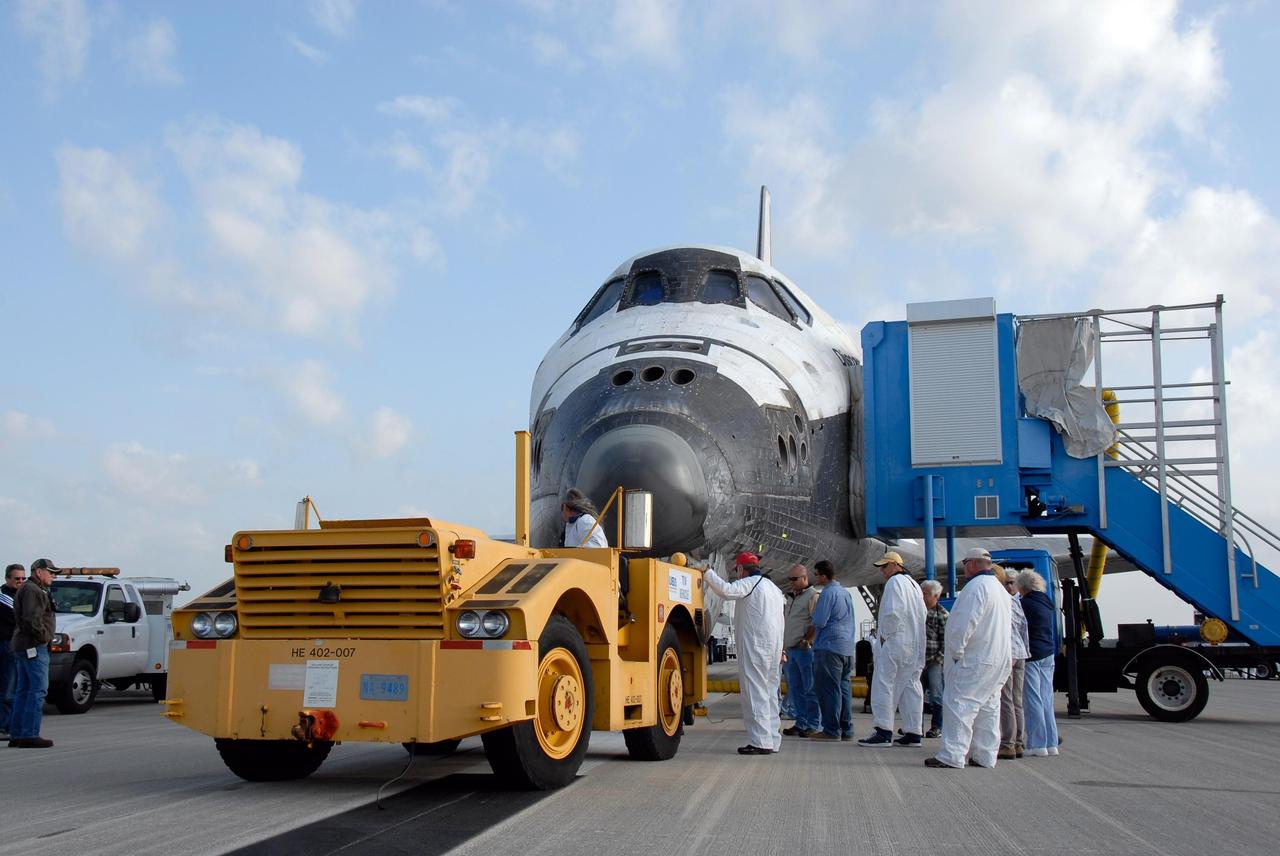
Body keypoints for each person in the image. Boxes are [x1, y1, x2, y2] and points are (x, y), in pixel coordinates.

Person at [926, 547, 1011, 770]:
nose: (964, 569)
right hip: (998, 657)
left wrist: (956, 653)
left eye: (965, 564)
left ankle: (952, 755)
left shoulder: (976, 588)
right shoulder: (1000, 590)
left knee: (959, 703)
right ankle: (985, 755)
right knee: (988, 707)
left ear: (972, 564)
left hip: (976, 658)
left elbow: (964, 624)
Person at [696, 552, 784, 755]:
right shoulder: (774, 589)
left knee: (754, 693)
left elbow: (727, 591)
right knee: (770, 694)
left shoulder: (752, 583)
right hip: (773, 648)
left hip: (756, 647)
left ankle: (760, 741)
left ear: (741, 569)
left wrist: (707, 572)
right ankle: (772, 739)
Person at [860, 551, 927, 747]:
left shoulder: (894, 583)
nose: (882, 571)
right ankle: (914, 731)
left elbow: (893, 612)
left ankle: (883, 730)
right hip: (914, 645)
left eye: (885, 566)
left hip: (896, 643)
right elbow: (922, 613)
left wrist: (883, 636)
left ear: (896, 565)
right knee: (911, 686)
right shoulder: (914, 585)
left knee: (884, 684)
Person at [10, 558, 58, 748]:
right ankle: (29, 734)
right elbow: (32, 619)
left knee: (24, 690)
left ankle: (18, 734)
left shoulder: (31, 588)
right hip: (33, 646)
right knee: (37, 690)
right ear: (38, 572)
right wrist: (44, 637)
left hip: (25, 645)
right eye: (50, 572)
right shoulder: (32, 589)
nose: (53, 576)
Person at [810, 559, 855, 742]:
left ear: (822, 575)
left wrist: (813, 615)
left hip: (829, 647)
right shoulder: (845, 593)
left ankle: (831, 729)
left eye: (816, 574)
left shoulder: (827, 594)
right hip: (846, 648)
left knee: (828, 690)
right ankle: (846, 728)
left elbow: (820, 620)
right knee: (844, 689)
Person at [1017, 570, 1060, 757]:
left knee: (1032, 699)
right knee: (1046, 699)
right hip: (1048, 652)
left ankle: (1036, 744)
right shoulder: (1047, 602)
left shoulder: (1025, 604)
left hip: (1033, 654)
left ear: (1023, 586)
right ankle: (1051, 742)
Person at [781, 564, 821, 738]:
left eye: (794, 579)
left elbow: (817, 622)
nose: (791, 582)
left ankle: (813, 724)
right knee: (795, 688)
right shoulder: (791, 598)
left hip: (804, 650)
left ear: (805, 578)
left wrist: (808, 640)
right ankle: (801, 722)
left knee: (810, 688)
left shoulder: (813, 596)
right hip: (791, 650)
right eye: (789, 579)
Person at [998, 566, 1029, 760]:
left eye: (1012, 583)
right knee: (1016, 700)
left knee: (1007, 700)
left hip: (1010, 653)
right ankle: (1019, 742)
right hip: (1020, 653)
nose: (1009, 586)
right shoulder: (1018, 603)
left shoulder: (1004, 602)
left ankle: (1009, 743)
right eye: (1006, 583)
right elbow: (1025, 628)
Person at [921, 579, 948, 739]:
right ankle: (915, 726)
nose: (923, 597)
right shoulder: (918, 612)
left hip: (934, 661)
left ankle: (937, 726)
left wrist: (938, 659)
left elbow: (946, 641)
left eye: (926, 594)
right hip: (918, 660)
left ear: (936, 596)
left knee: (937, 695)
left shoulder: (942, 614)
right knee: (916, 694)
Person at [1, 563, 26, 736]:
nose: (21, 581)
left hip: (17, 646)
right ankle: (3, 725)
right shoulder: (4, 598)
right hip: (6, 645)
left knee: (16, 686)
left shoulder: (20, 596)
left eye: (23, 578)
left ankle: (11, 724)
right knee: (7, 687)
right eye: (17, 578)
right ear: (7, 579)